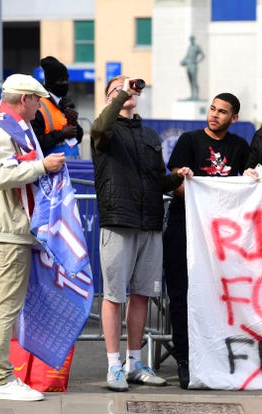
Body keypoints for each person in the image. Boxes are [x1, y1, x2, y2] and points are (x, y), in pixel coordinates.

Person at [91, 75, 192, 392]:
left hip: (148, 222)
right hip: (118, 221)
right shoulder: (103, 129)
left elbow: (155, 180)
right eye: (117, 90)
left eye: (128, 89)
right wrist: (120, 95)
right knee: (113, 296)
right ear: (110, 98)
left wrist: (175, 178)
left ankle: (135, 362)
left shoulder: (149, 134)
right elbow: (101, 129)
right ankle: (114, 365)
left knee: (142, 296)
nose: (126, 93)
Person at [0, 74, 66, 401]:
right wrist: (43, 167)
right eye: (38, 100)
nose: (40, 107)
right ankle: (0, 378)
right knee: (5, 305)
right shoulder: (3, 131)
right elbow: (0, 176)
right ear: (24, 99)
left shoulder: (4, 127)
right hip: (5, 232)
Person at [163, 93, 250, 389]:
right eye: (212, 109)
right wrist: (185, 180)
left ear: (233, 118)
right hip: (183, 227)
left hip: (221, 235)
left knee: (220, 296)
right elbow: (176, 183)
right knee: (180, 295)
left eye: (222, 111)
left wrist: (252, 177)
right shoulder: (189, 140)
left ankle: (218, 357)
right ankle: (184, 359)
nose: (214, 115)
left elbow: (252, 181)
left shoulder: (239, 146)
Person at [32, 56, 84, 158]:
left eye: (66, 80)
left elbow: (78, 137)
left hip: (73, 166)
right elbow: (36, 143)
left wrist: (73, 122)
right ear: (50, 83)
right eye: (61, 80)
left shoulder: (65, 104)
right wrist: (62, 134)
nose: (65, 84)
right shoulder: (38, 106)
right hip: (52, 170)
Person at [180, 35, 205, 100]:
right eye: (190, 39)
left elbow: (203, 55)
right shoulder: (189, 47)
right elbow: (186, 56)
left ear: (194, 39)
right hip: (188, 65)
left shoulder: (197, 47)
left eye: (192, 39)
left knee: (194, 81)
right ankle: (192, 95)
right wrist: (183, 61)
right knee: (190, 81)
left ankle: (196, 95)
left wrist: (197, 61)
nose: (191, 40)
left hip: (194, 65)